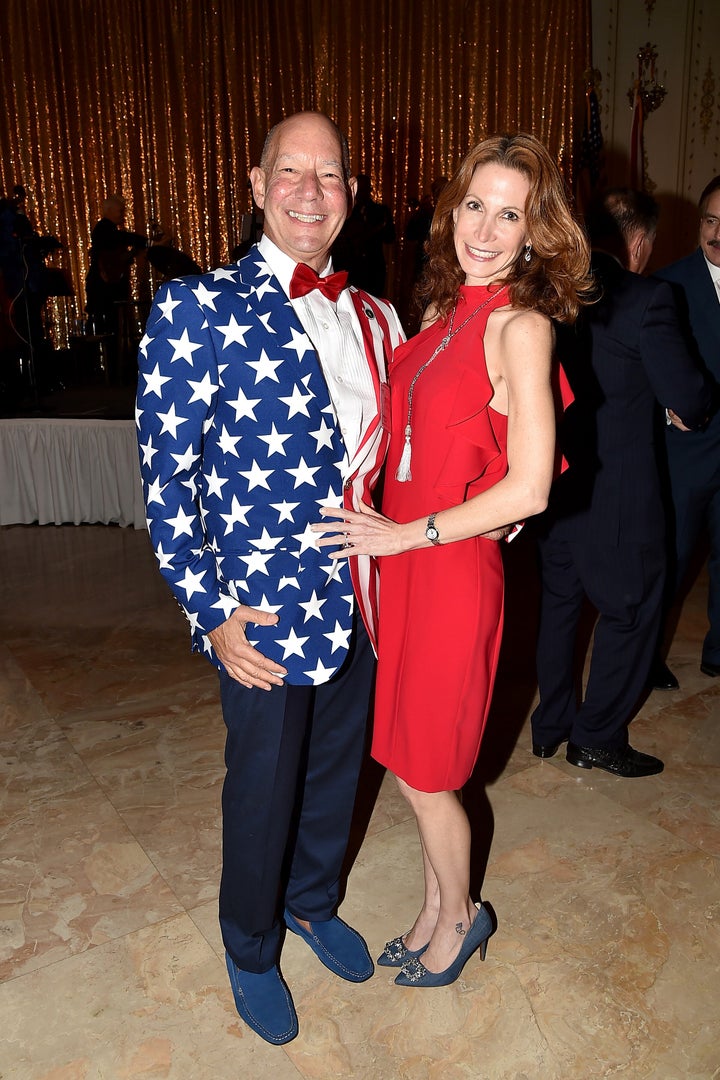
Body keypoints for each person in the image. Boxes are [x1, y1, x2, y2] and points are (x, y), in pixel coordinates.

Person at [135, 111, 403, 1045]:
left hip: (364, 600)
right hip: (260, 613)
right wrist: (209, 613)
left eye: (328, 175)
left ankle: (312, 901)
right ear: (255, 186)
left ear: (350, 198)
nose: (309, 190)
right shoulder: (196, 307)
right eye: (290, 171)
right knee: (262, 786)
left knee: (336, 771)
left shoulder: (376, 315)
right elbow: (166, 479)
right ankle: (250, 946)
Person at [314, 133, 592, 987]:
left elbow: (533, 488)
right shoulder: (439, 313)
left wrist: (413, 533)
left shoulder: (521, 325)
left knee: (433, 773)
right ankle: (438, 907)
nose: (486, 227)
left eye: (511, 214)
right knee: (404, 758)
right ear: (453, 208)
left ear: (536, 231)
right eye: (476, 204)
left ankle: (462, 919)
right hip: (402, 569)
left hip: (446, 574)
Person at [531, 188, 712, 776]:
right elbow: (689, 397)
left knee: (559, 609)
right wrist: (680, 406)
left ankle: (550, 726)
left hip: (551, 488)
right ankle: (597, 737)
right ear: (640, 241)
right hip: (623, 497)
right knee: (633, 612)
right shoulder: (648, 298)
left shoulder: (548, 293)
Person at [650, 176, 720, 686]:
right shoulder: (668, 286)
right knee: (669, 562)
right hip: (687, 452)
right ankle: (645, 657)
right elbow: (645, 368)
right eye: (710, 221)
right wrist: (665, 408)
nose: (716, 233)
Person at [85, 194, 147, 337]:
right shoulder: (104, 229)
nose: (123, 215)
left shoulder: (109, 230)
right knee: (105, 328)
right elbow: (121, 240)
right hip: (102, 288)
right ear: (109, 210)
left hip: (108, 287)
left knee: (114, 326)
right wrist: (145, 242)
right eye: (120, 211)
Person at [332, 172, 395, 296]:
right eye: (359, 189)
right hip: (349, 269)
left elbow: (390, 237)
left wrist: (380, 228)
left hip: (374, 269)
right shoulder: (344, 211)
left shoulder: (381, 211)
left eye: (365, 188)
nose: (361, 192)